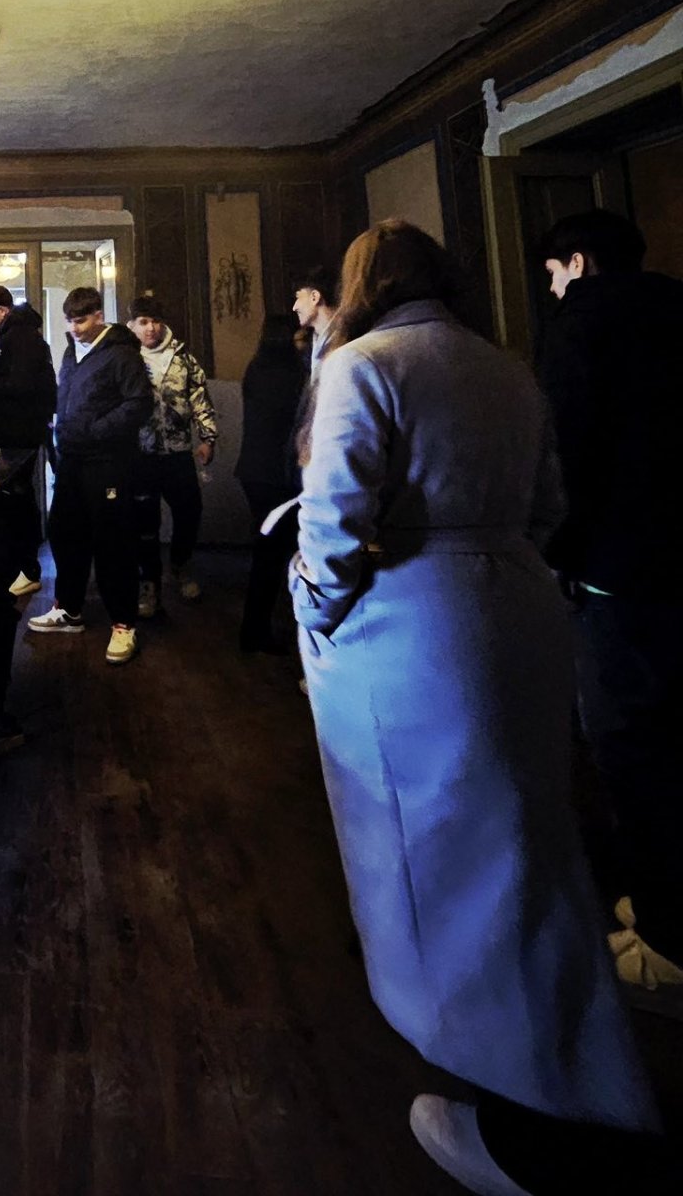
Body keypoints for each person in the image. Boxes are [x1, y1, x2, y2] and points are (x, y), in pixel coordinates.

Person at [292, 219, 660, 1194]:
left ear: (362, 283)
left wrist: (315, 614)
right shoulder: (506, 368)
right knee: (528, 845)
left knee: (444, 860)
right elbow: (549, 507)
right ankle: (581, 1076)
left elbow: (333, 526)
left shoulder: (362, 364)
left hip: (416, 628)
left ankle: (518, 1117)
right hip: (522, 609)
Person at [537, 207, 683, 1013]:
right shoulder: (675, 308)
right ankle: (661, 904)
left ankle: (667, 945)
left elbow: (570, 456)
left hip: (618, 568)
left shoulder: (581, 327)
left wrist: (557, 552)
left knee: (632, 748)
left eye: (553, 273)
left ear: (579, 263)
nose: (551, 287)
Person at [28, 286, 152, 666]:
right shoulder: (71, 351)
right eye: (70, 321)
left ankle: (123, 623)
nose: (74, 328)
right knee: (65, 534)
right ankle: (69, 610)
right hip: (72, 460)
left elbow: (140, 403)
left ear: (99, 315)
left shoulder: (122, 354)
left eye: (81, 320)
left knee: (113, 543)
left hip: (108, 462)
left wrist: (96, 430)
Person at [126, 293, 217, 617]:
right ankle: (148, 582)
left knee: (190, 512)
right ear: (132, 325)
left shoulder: (183, 358)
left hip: (178, 451)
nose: (150, 328)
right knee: (144, 522)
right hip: (141, 454)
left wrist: (208, 438)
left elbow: (199, 398)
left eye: (155, 321)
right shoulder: (126, 359)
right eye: (143, 322)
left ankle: (180, 565)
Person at [0, 285, 58, 595]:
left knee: (20, 499)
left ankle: (28, 569)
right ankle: (23, 566)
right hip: (20, 429)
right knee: (18, 497)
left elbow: (18, 386)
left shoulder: (18, 338)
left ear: (3, 310)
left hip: (18, 431)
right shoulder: (22, 335)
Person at [235, 313, 309, 651]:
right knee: (279, 554)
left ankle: (256, 629)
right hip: (276, 476)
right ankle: (261, 631)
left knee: (267, 552)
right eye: (299, 338)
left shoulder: (257, 367)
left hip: (255, 471)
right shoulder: (290, 373)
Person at [292, 261, 338, 370]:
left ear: (314, 297)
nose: (294, 307)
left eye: (298, 297)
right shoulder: (309, 346)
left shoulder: (348, 341)